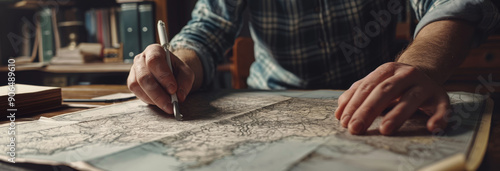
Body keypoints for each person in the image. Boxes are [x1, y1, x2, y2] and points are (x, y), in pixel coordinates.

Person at [127, 0, 500, 135]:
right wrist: (178, 62)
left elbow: (452, 2)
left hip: (380, 104)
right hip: (267, 108)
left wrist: (421, 65)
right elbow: (207, 30)